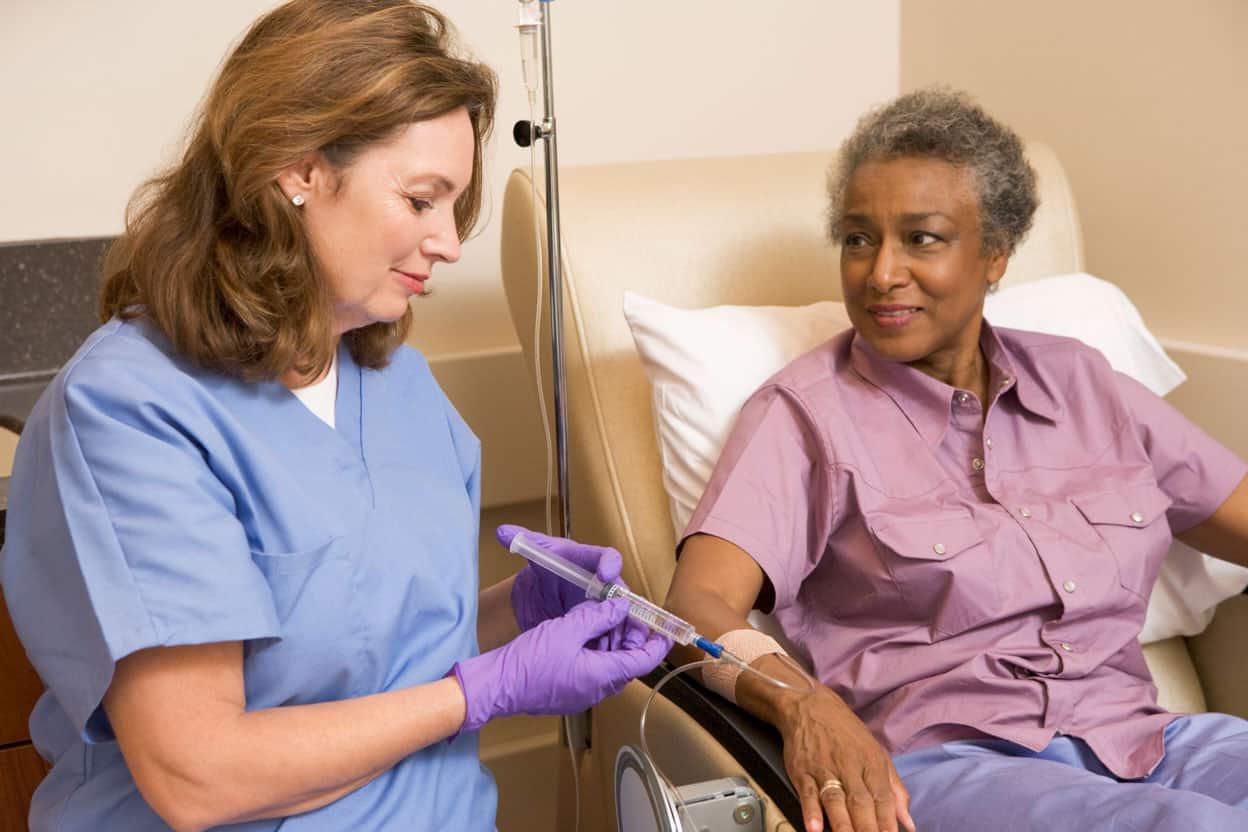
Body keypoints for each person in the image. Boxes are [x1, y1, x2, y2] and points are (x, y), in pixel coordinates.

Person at [0, 2, 668, 830]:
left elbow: (382, 652)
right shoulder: (134, 410)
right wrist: (482, 694)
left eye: (454, 207)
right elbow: (197, 774)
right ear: (297, 169)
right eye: (423, 199)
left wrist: (513, 614)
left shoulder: (400, 386)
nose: (450, 243)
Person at [663, 88, 1248, 832]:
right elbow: (691, 608)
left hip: (1144, 740)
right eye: (857, 238)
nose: (881, 273)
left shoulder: (1084, 384)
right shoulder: (807, 418)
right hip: (956, 766)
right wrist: (802, 702)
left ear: (995, 253)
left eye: (923, 239)